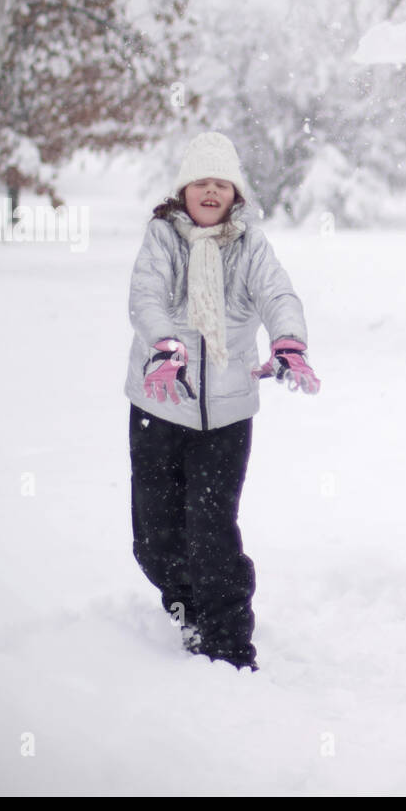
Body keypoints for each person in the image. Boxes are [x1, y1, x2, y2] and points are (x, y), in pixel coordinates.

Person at [124, 131, 319, 671]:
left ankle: (229, 644)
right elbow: (146, 296)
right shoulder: (163, 238)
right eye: (200, 183)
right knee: (155, 538)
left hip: (228, 414)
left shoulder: (250, 245)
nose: (210, 192)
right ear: (183, 190)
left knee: (212, 532)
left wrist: (288, 340)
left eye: (221, 183)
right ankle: (187, 609)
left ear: (235, 193)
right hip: (161, 403)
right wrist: (165, 346)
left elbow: (277, 292)